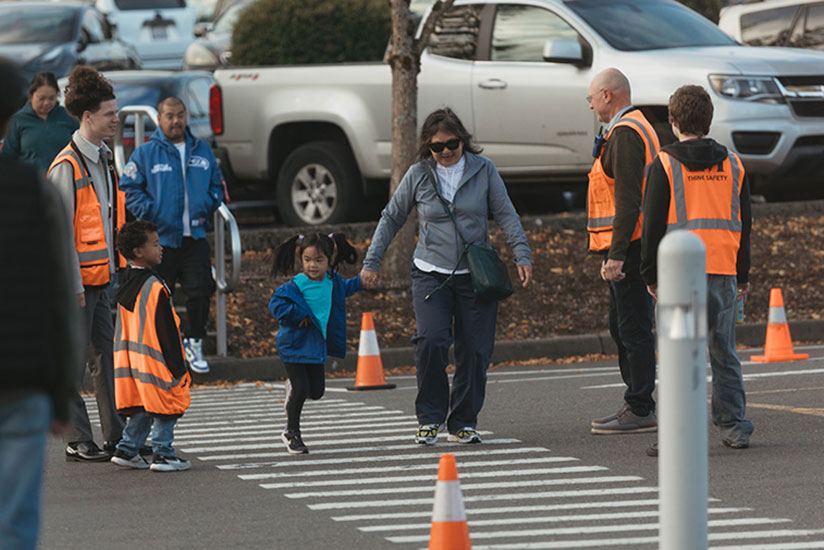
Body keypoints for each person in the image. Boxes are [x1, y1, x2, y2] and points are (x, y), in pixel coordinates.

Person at [361, 107, 532, 446]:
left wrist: (521, 253)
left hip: (476, 277)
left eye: (452, 144)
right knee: (431, 340)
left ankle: (464, 421)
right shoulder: (419, 174)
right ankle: (429, 418)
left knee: (474, 350)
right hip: (430, 274)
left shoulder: (483, 170)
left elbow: (506, 214)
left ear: (463, 141)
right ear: (428, 147)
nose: (446, 152)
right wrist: (372, 260)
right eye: (438, 147)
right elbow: (392, 217)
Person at [641, 85, 754, 452]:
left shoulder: (664, 164)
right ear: (709, 120)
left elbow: (653, 224)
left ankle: (676, 432)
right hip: (722, 270)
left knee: (677, 355)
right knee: (724, 352)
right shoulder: (734, 163)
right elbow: (744, 224)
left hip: (678, 275)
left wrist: (650, 275)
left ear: (673, 123)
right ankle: (734, 427)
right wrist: (744, 274)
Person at [0, 58, 84, 550]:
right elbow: (58, 289)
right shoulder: (36, 192)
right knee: (15, 522)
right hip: (23, 379)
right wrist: (61, 388)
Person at [47, 66, 126, 461]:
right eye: (110, 113)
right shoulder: (67, 165)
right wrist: (73, 285)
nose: (116, 119)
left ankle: (116, 435)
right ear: (87, 117)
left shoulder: (105, 159)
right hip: (77, 285)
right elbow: (58, 235)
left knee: (105, 359)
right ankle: (78, 438)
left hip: (102, 279)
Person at [120, 97, 225, 374]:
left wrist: (208, 202)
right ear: (160, 119)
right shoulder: (145, 153)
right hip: (161, 242)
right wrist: (150, 213)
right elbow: (129, 188)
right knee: (159, 298)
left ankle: (194, 342)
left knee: (200, 291)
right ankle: (161, 351)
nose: (175, 121)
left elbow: (218, 185)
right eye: (169, 116)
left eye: (180, 115)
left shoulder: (202, 150)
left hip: (195, 237)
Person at [586, 68, 661, 435]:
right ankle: (637, 401)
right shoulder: (630, 128)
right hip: (629, 243)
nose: (590, 106)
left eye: (591, 98)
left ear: (607, 95)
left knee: (632, 327)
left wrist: (616, 255)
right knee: (623, 326)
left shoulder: (627, 133)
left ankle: (641, 406)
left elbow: (628, 199)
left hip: (630, 246)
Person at [269, 232, 364, 454]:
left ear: (329, 260)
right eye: (307, 260)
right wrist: (296, 313)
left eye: (319, 260)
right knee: (302, 387)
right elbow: (276, 305)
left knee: (317, 391)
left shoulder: (333, 281)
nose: (313, 265)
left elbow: (348, 288)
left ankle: (293, 390)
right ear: (301, 259)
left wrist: (362, 280)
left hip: (315, 345)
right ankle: (291, 432)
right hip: (293, 344)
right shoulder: (296, 284)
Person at [110, 220, 193, 471]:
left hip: (132, 362)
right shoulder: (155, 287)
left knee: (143, 407)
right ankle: (164, 453)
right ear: (138, 252)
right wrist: (178, 366)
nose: (161, 248)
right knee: (166, 404)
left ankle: (127, 449)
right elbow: (166, 331)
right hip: (157, 361)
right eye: (155, 244)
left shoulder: (126, 283)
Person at [1, 72, 78, 173]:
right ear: (31, 96)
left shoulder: (68, 116)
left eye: (51, 98)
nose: (46, 103)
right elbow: (8, 157)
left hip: (63, 179)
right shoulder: (18, 120)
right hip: (31, 182)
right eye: (41, 98)